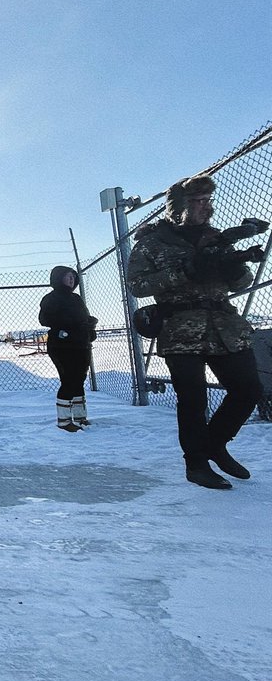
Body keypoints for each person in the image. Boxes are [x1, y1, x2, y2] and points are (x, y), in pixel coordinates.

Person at [127, 175, 267, 490]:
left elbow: (242, 282)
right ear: (179, 208)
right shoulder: (151, 242)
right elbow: (137, 284)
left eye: (208, 201)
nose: (207, 208)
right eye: (199, 202)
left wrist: (235, 268)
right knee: (192, 399)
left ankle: (215, 444)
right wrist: (184, 272)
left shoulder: (215, 237)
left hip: (224, 327)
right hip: (180, 329)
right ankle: (196, 464)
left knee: (248, 389)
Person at [38, 266, 97, 432]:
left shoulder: (76, 298)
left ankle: (80, 417)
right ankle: (64, 421)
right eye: (67, 276)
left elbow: (83, 317)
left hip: (80, 344)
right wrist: (69, 324)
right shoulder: (51, 298)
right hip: (62, 345)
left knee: (79, 379)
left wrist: (89, 328)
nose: (71, 279)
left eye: (73, 276)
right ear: (58, 278)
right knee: (69, 380)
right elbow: (45, 318)